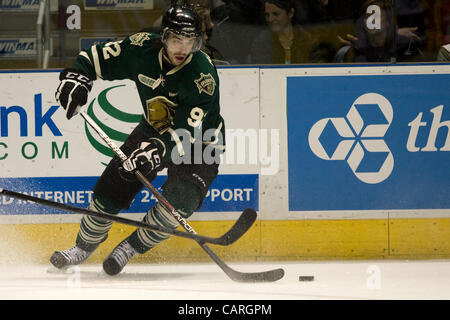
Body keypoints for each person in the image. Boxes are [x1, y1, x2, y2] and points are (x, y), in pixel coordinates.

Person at [51, 4, 226, 276]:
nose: (182, 48)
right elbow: (94, 58)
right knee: (110, 190)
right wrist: (79, 77)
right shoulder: (141, 47)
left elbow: (187, 133)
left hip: (200, 145)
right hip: (152, 131)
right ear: (163, 37)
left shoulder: (202, 77)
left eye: (190, 41)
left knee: (177, 204)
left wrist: (155, 150)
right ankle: (83, 248)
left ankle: (128, 249)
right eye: (176, 40)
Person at [249, 0, 319, 64]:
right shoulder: (262, 42)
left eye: (275, 14)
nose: (270, 19)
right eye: (267, 15)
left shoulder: (308, 40)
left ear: (291, 13)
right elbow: (263, 74)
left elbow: (315, 72)